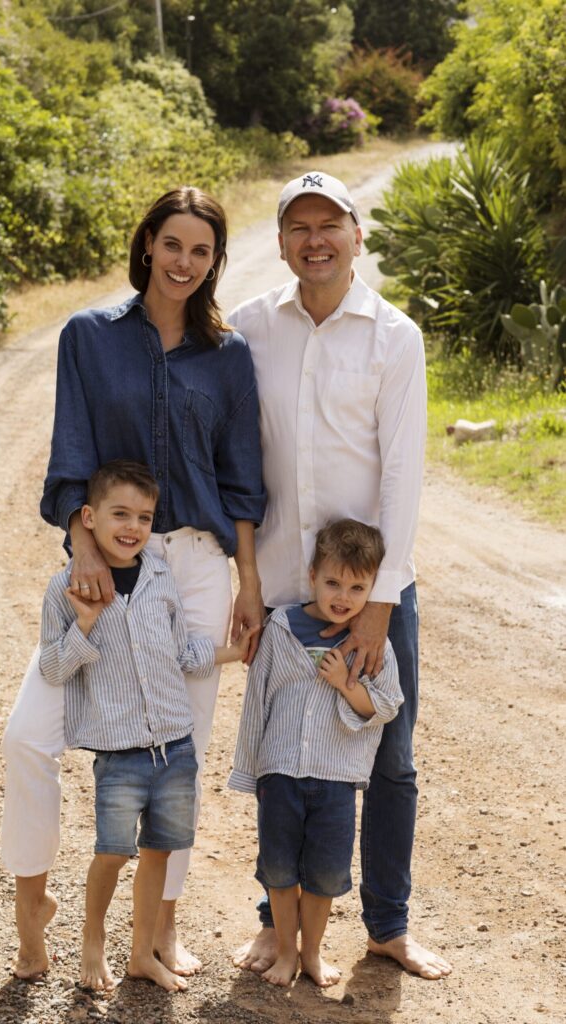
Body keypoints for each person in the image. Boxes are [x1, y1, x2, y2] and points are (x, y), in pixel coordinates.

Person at [1, 187, 266, 981]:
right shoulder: (89, 336)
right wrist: (83, 543)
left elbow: (241, 481)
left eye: (201, 250)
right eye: (172, 244)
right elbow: (70, 455)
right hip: (112, 560)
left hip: (198, 566)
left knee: (177, 758)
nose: (184, 262)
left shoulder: (228, 355)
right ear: (147, 243)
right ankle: (31, 904)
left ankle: (157, 933)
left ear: (215, 262)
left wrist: (247, 582)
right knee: (30, 734)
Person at [228, 171, 451, 980]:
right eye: (299, 226)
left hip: (372, 593)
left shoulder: (394, 335)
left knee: (387, 758)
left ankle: (387, 926)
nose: (314, 239)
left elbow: (401, 475)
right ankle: (275, 927)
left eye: (330, 224)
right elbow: (236, 460)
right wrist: (247, 581)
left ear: (356, 236)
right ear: (281, 241)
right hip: (285, 588)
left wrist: (379, 603)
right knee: (283, 757)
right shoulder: (250, 327)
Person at [39, 460, 256, 991]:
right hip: (120, 753)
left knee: (159, 851)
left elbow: (182, 652)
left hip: (174, 747)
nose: (132, 527)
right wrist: (85, 624)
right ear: (89, 517)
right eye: (120, 514)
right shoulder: (66, 588)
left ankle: (141, 954)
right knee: (113, 853)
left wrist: (233, 652)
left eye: (143, 517)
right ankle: (93, 943)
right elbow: (52, 668)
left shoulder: (160, 578)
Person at [229, 519, 403, 988]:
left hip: (336, 778)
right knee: (279, 870)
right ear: (312, 576)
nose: (343, 597)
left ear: (372, 588)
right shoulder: (281, 627)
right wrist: (250, 772)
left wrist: (346, 685)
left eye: (357, 587)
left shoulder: (373, 643)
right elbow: (256, 701)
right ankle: (286, 951)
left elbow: (387, 705)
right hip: (280, 773)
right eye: (332, 583)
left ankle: (311, 954)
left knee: (325, 874)